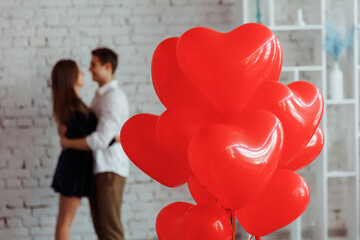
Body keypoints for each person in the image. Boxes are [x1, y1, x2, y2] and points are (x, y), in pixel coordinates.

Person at [60, 48, 130, 240]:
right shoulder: (100, 97)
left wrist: (68, 143)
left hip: (110, 169)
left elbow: (100, 139)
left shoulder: (113, 98)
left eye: (94, 65)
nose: (89, 69)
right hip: (100, 168)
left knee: (111, 230)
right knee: (102, 231)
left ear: (107, 67)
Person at [51, 59, 97, 240]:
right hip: (73, 169)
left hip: (75, 167)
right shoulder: (72, 107)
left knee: (64, 222)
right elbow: (90, 138)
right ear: (70, 77)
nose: (83, 74)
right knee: (65, 223)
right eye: (78, 72)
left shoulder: (72, 105)